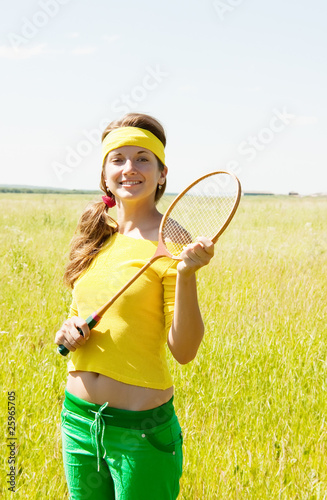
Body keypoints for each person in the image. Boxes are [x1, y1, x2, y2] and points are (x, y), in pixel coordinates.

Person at [55, 113, 214, 499]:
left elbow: (185, 350)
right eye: (119, 158)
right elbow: (82, 312)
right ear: (105, 172)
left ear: (162, 173)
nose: (130, 168)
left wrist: (188, 274)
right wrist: (67, 330)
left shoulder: (173, 240)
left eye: (143, 158)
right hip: (78, 421)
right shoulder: (96, 233)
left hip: (140, 431)